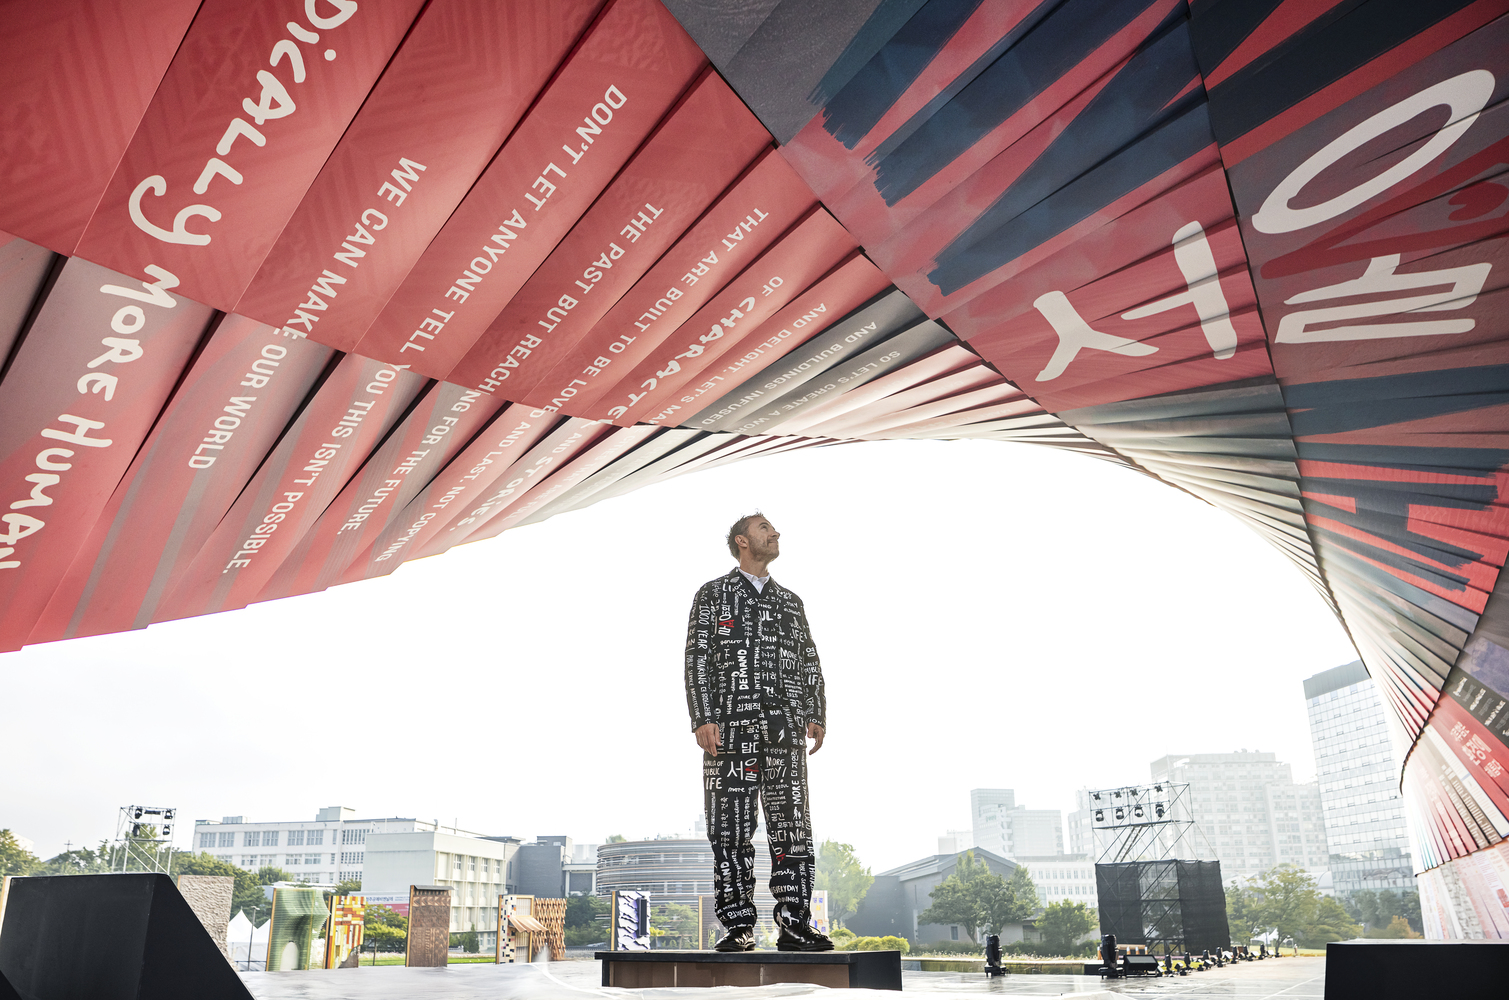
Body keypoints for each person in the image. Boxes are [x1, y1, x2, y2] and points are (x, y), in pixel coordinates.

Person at [684, 512, 831, 952]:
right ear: (742, 541)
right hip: (728, 731)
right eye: (765, 528)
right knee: (729, 832)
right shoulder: (712, 595)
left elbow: (809, 660)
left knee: (793, 828)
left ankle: (795, 924)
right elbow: (696, 658)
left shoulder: (791, 602)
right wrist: (702, 717)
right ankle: (738, 927)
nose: (775, 532)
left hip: (785, 730)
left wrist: (816, 711)